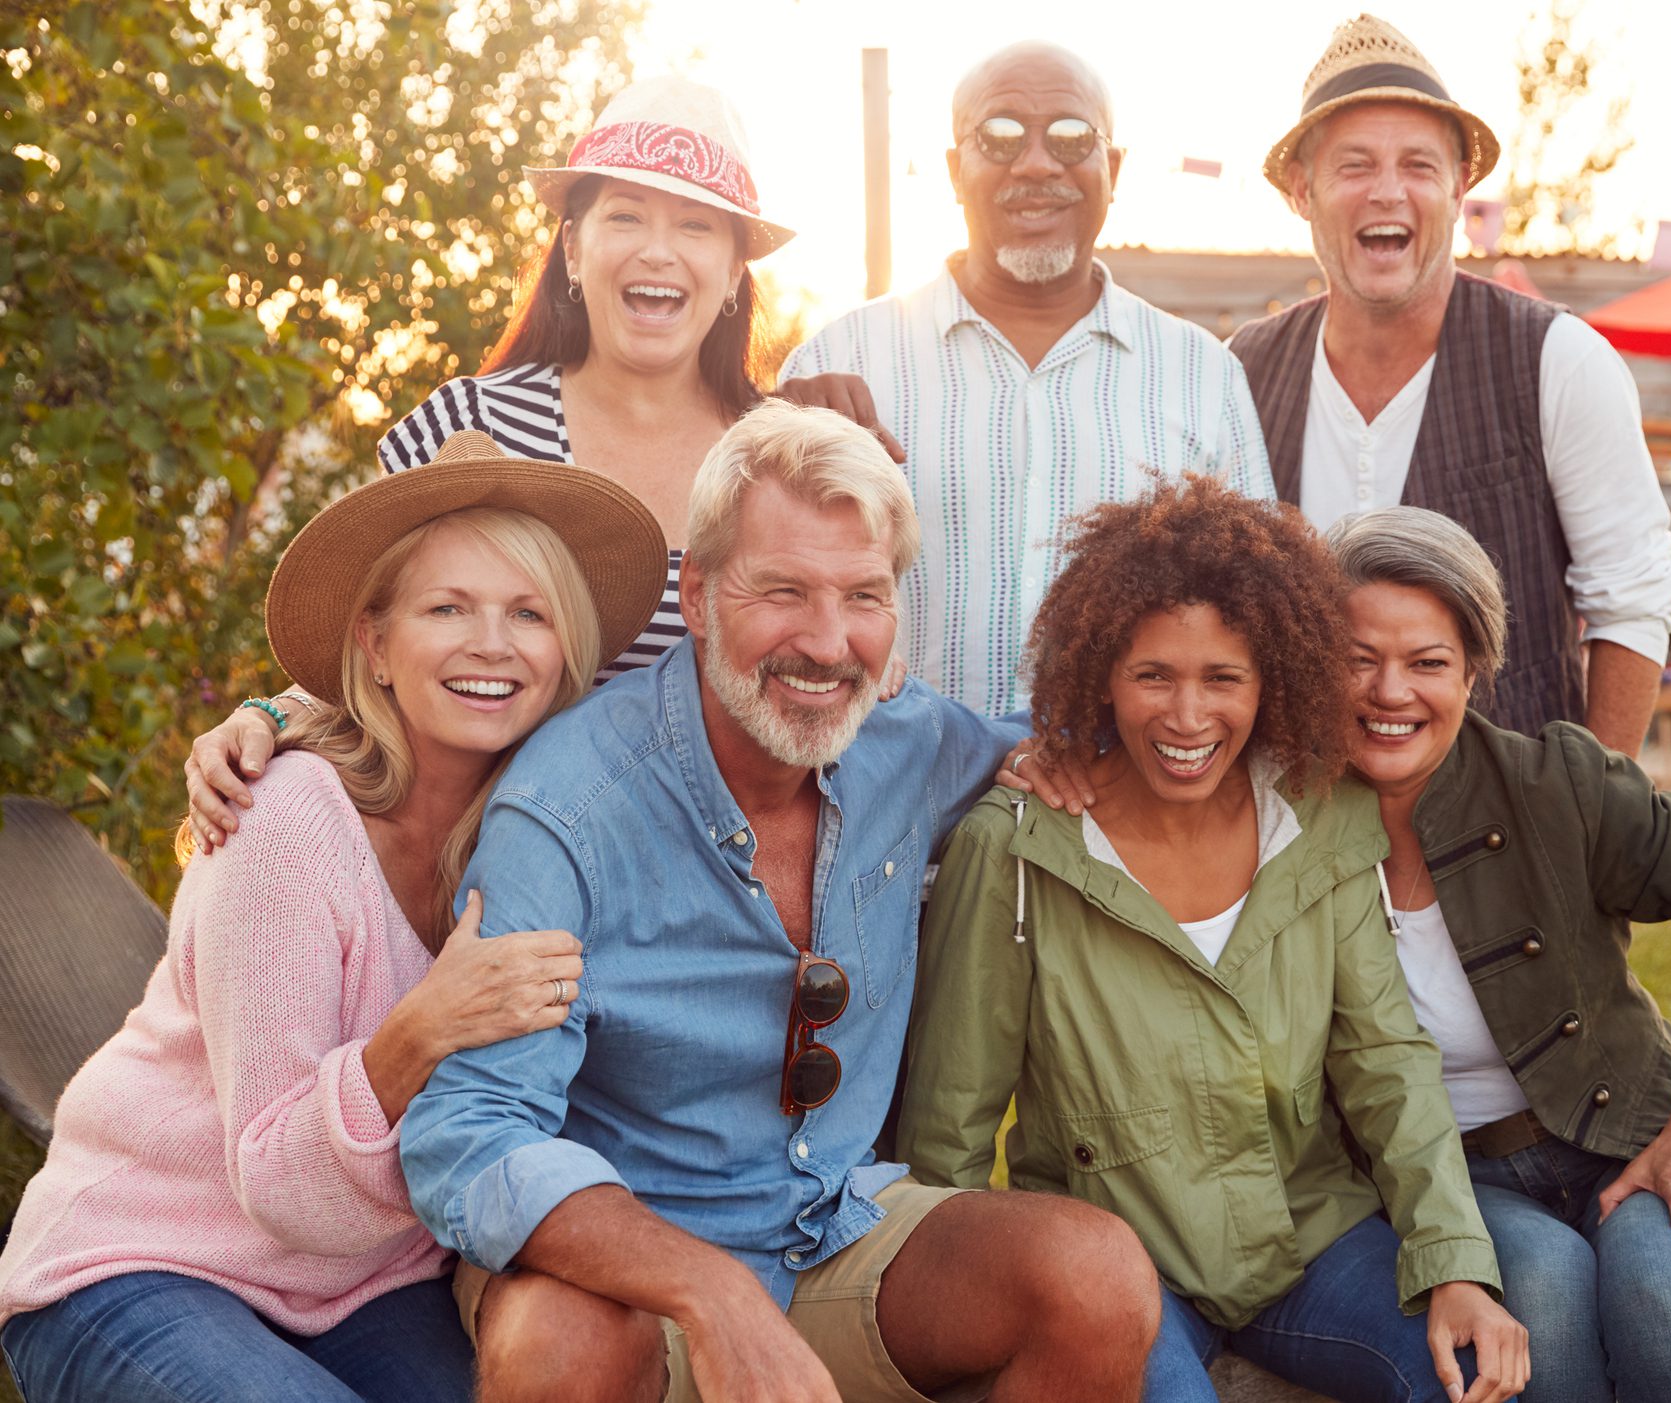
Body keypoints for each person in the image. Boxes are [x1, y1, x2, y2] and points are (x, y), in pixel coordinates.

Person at [397, 401, 1160, 1403]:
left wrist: (1061, 750)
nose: (828, 641)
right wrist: (709, 1291)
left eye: (863, 595)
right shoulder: (568, 801)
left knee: (1094, 1277)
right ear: (701, 592)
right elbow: (473, 1132)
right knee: (555, 1341)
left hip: (836, 1230)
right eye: (784, 590)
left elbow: (1102, 724)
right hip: (625, 1262)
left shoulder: (905, 739)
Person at [0, 431, 670, 1402]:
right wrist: (422, 1028)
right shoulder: (285, 819)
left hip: (367, 1278)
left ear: (564, 649)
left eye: (527, 612)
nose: (491, 642)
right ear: (375, 643)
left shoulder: (541, 838)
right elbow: (276, 1184)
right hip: (145, 1257)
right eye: (448, 608)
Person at [898, 476, 1528, 1403]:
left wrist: (1454, 1266)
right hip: (1118, 1262)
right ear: (1096, 676)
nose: (1187, 717)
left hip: (1309, 1238)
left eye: (1222, 678)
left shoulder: (1317, 822)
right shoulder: (1017, 847)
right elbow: (951, 1113)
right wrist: (947, 1318)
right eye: (1152, 674)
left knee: (1471, 1376)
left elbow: (1387, 1063)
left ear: (1273, 678)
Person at [182, 75, 896, 851]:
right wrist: (269, 715)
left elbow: (846, 668)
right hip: (481, 865)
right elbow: (380, 634)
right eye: (624, 216)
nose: (657, 251)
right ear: (571, 248)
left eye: (696, 227)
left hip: (709, 888)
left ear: (732, 272)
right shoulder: (469, 425)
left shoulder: (782, 463)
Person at [1321, 506, 1671, 1403]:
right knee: (1548, 1314)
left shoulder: (1558, 784)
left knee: (1661, 1307)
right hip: (1453, 1177)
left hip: (1633, 1139)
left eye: (1427, 662)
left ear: (1475, 670)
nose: (1389, 691)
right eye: (1357, 658)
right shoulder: (1282, 825)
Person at [1228, 15, 1671, 752]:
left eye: (1417, 164)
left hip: (1502, 828)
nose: (1386, 191)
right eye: (1353, 165)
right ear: (1299, 189)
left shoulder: (1558, 359)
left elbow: (1630, 602)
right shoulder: (1242, 371)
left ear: (1458, 185)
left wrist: (1593, 817)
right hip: (1291, 829)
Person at [780, 41, 1275, 716]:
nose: (1037, 162)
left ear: (1114, 167)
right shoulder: (839, 361)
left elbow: (1255, 611)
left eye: (1071, 137)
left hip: (1116, 806)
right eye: (1001, 135)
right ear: (956, 171)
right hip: (880, 794)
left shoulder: (1203, 375)